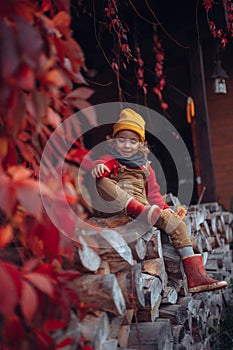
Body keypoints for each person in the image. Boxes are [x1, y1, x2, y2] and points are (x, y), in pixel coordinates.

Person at [91, 108, 227, 294]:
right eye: (121, 140)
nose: (127, 145)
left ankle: (196, 276)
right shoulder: (112, 160)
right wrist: (99, 167)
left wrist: (163, 208)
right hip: (117, 205)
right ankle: (137, 209)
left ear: (140, 144)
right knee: (102, 181)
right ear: (114, 141)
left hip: (144, 209)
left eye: (133, 141)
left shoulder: (146, 167)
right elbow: (101, 165)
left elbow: (154, 193)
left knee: (177, 224)